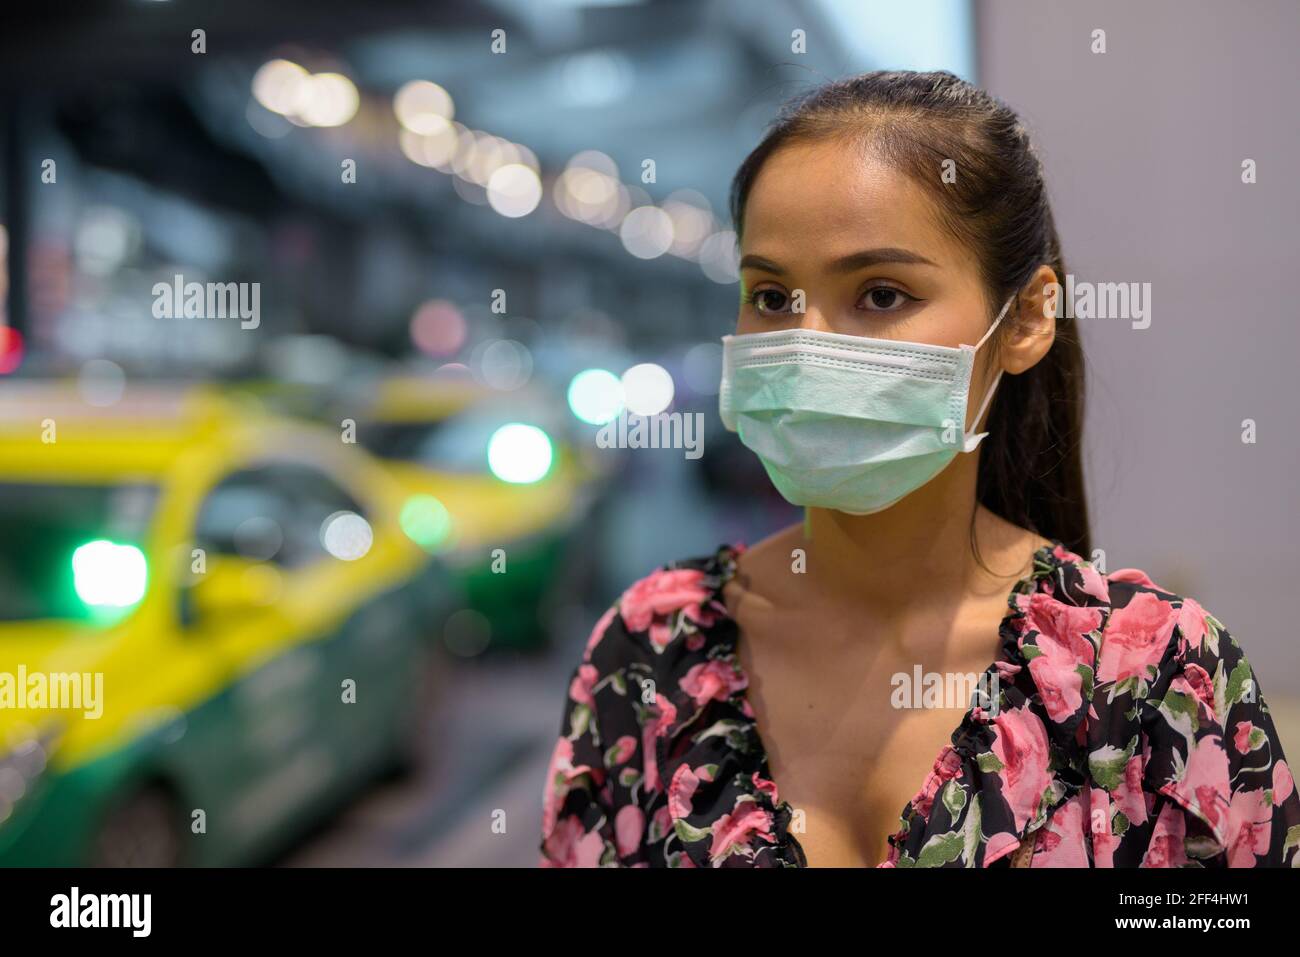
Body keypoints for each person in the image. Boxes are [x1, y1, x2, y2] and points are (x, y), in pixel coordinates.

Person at [539, 70, 1300, 868]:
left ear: (1027, 319)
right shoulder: (650, 655)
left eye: (880, 293)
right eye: (770, 296)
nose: (806, 346)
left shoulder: (1155, 676)